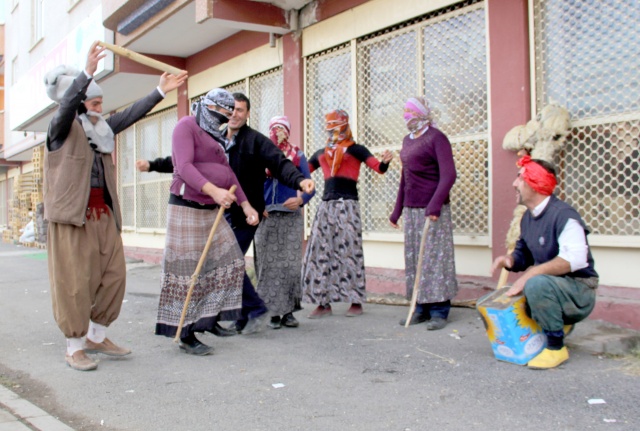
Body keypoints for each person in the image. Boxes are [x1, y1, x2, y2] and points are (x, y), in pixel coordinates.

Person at [43, 41, 187, 371]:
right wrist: (87, 72)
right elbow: (65, 108)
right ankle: (74, 346)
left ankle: (96, 336)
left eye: (101, 100)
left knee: (114, 277)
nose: (100, 105)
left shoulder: (100, 129)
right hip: (72, 219)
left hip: (103, 215)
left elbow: (127, 116)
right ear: (79, 100)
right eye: (93, 99)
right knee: (75, 282)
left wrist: (159, 91)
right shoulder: (60, 129)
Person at [137, 92, 315, 334]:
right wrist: (153, 165)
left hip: (245, 215)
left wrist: (299, 182)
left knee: (227, 262)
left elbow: (278, 162)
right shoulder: (213, 134)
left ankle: (251, 310)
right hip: (217, 212)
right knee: (222, 265)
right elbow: (182, 160)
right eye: (230, 110)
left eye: (239, 110)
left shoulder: (256, 141)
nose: (233, 115)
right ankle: (222, 318)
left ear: (247, 114)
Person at [155, 89, 258, 355]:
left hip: (212, 210)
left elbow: (228, 173)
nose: (225, 119)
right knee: (189, 271)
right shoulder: (185, 126)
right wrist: (213, 190)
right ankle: (185, 333)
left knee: (229, 261)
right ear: (209, 107)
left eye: (229, 115)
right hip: (187, 207)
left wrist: (245, 204)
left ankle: (208, 319)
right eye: (222, 113)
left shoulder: (216, 135)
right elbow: (184, 167)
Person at [491, 155, 598, 369]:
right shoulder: (528, 217)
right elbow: (525, 254)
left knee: (535, 283)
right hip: (553, 286)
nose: (514, 184)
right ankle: (556, 325)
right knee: (522, 290)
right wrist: (510, 260)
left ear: (535, 182)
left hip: (579, 290)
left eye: (519, 178)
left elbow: (574, 260)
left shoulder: (564, 215)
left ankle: (556, 348)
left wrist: (531, 274)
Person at [302, 109, 392, 318]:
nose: (333, 129)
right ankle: (323, 303)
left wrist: (386, 161)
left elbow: (378, 168)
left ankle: (356, 301)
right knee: (321, 253)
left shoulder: (357, 149)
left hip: (349, 205)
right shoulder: (322, 152)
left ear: (345, 125)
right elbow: (302, 173)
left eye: (337, 125)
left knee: (350, 252)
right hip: (326, 205)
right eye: (329, 125)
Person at [389, 97, 458, 331]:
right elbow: (405, 178)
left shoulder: (437, 138)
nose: (406, 115)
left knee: (434, 258)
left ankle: (439, 309)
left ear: (421, 114)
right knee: (414, 258)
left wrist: (435, 205)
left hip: (433, 210)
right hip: (411, 208)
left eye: (410, 111)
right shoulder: (406, 141)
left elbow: (449, 175)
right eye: (404, 111)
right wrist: (397, 210)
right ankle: (420, 307)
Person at [254, 116, 315, 329]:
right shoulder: (261, 156)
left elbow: (310, 186)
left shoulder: (297, 156)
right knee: (268, 266)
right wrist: (257, 205)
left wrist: (300, 200)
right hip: (266, 217)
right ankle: (272, 312)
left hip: (290, 218)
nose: (277, 133)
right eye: (273, 129)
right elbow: (252, 183)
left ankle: (288, 312)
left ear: (288, 131)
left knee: (289, 266)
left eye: (281, 129)